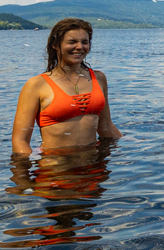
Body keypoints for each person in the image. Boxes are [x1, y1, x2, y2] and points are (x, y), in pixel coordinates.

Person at [11, 18, 123, 155]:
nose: (79, 47)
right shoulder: (37, 85)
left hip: (94, 166)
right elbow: (20, 141)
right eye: (72, 42)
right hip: (56, 168)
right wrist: (22, 174)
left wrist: (133, 147)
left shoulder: (98, 78)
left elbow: (106, 127)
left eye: (85, 42)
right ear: (55, 45)